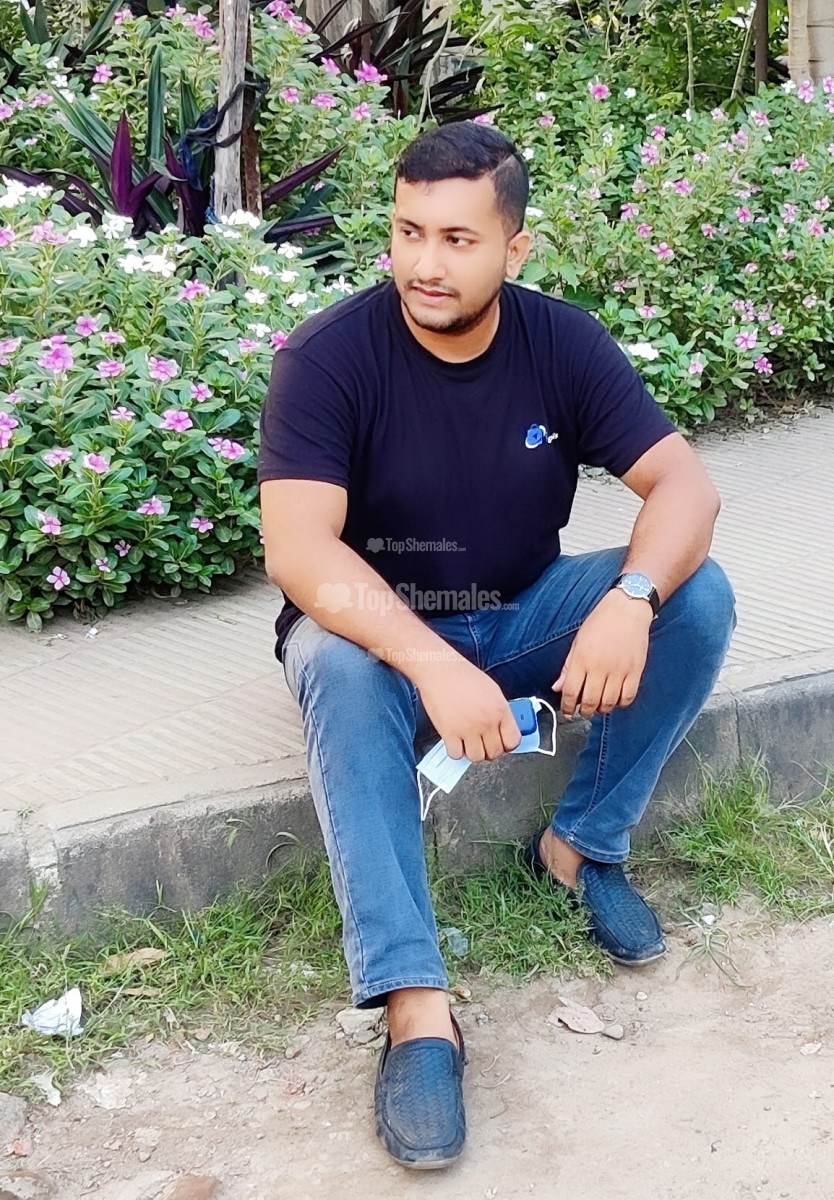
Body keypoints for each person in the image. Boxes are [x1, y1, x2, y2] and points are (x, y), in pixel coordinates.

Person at [257, 121, 735, 1170]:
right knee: (333, 663)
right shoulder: (328, 358)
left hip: (520, 612)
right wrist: (432, 663)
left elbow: (685, 487)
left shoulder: (561, 342)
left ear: (515, 249)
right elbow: (298, 550)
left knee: (696, 594)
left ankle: (580, 849)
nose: (425, 264)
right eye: (408, 232)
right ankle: (415, 1007)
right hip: (376, 635)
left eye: (458, 239)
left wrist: (631, 600)